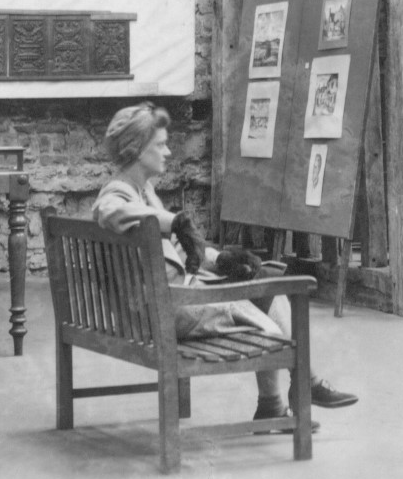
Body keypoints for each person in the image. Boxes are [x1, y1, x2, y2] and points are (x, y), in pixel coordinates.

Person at [92, 102, 358, 424]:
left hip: (170, 303)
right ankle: (299, 388)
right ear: (136, 150)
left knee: (271, 290)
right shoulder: (117, 194)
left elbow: (175, 245)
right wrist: (174, 220)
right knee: (271, 330)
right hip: (169, 310)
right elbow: (107, 211)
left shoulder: (143, 192)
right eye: (160, 145)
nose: (168, 152)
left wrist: (222, 259)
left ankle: (281, 400)